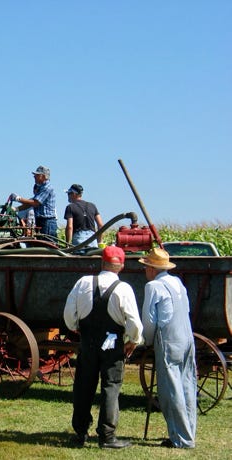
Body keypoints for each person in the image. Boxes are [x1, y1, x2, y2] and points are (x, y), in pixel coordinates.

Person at [63, 245, 143, 449]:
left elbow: (68, 314)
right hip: (113, 345)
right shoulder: (124, 289)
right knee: (111, 388)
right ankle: (107, 436)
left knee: (83, 387)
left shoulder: (83, 282)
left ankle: (80, 433)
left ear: (102, 263)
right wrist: (133, 340)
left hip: (88, 342)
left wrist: (77, 328)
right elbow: (134, 322)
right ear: (121, 266)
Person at [138, 248, 196, 449]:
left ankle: (181, 438)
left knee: (170, 390)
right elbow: (186, 309)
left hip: (169, 337)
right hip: (187, 336)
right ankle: (188, 431)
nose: (145, 270)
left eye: (146, 266)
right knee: (187, 384)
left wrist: (147, 340)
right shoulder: (177, 282)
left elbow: (149, 319)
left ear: (152, 269)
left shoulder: (152, 286)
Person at [9, 165, 57, 240]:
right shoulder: (41, 187)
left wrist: (18, 198)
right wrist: (16, 209)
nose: (34, 176)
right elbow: (31, 204)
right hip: (41, 221)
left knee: (46, 247)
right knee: (41, 247)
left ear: (43, 176)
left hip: (47, 222)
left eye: (36, 175)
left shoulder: (47, 187)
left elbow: (35, 203)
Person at [63, 184, 104, 251]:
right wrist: (99, 242)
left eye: (69, 194)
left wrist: (67, 245)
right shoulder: (92, 206)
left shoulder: (70, 207)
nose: (68, 196)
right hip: (92, 239)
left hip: (78, 239)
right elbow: (101, 225)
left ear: (73, 194)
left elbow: (69, 227)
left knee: (78, 260)